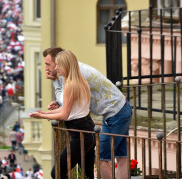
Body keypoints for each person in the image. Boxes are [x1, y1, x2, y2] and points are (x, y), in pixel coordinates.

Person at [43, 47, 132, 179]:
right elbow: (66, 98)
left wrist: (56, 85)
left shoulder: (76, 74)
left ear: (59, 61)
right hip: (120, 108)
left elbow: (66, 103)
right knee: (121, 157)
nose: (47, 68)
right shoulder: (72, 71)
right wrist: (59, 100)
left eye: (49, 64)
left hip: (115, 113)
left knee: (102, 159)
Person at [30, 50, 95, 179]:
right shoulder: (81, 81)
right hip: (88, 129)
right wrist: (47, 112)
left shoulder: (70, 85)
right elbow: (69, 109)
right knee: (87, 174)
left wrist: (43, 116)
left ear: (66, 65)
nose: (56, 67)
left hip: (79, 133)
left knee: (57, 172)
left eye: (58, 64)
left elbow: (64, 115)